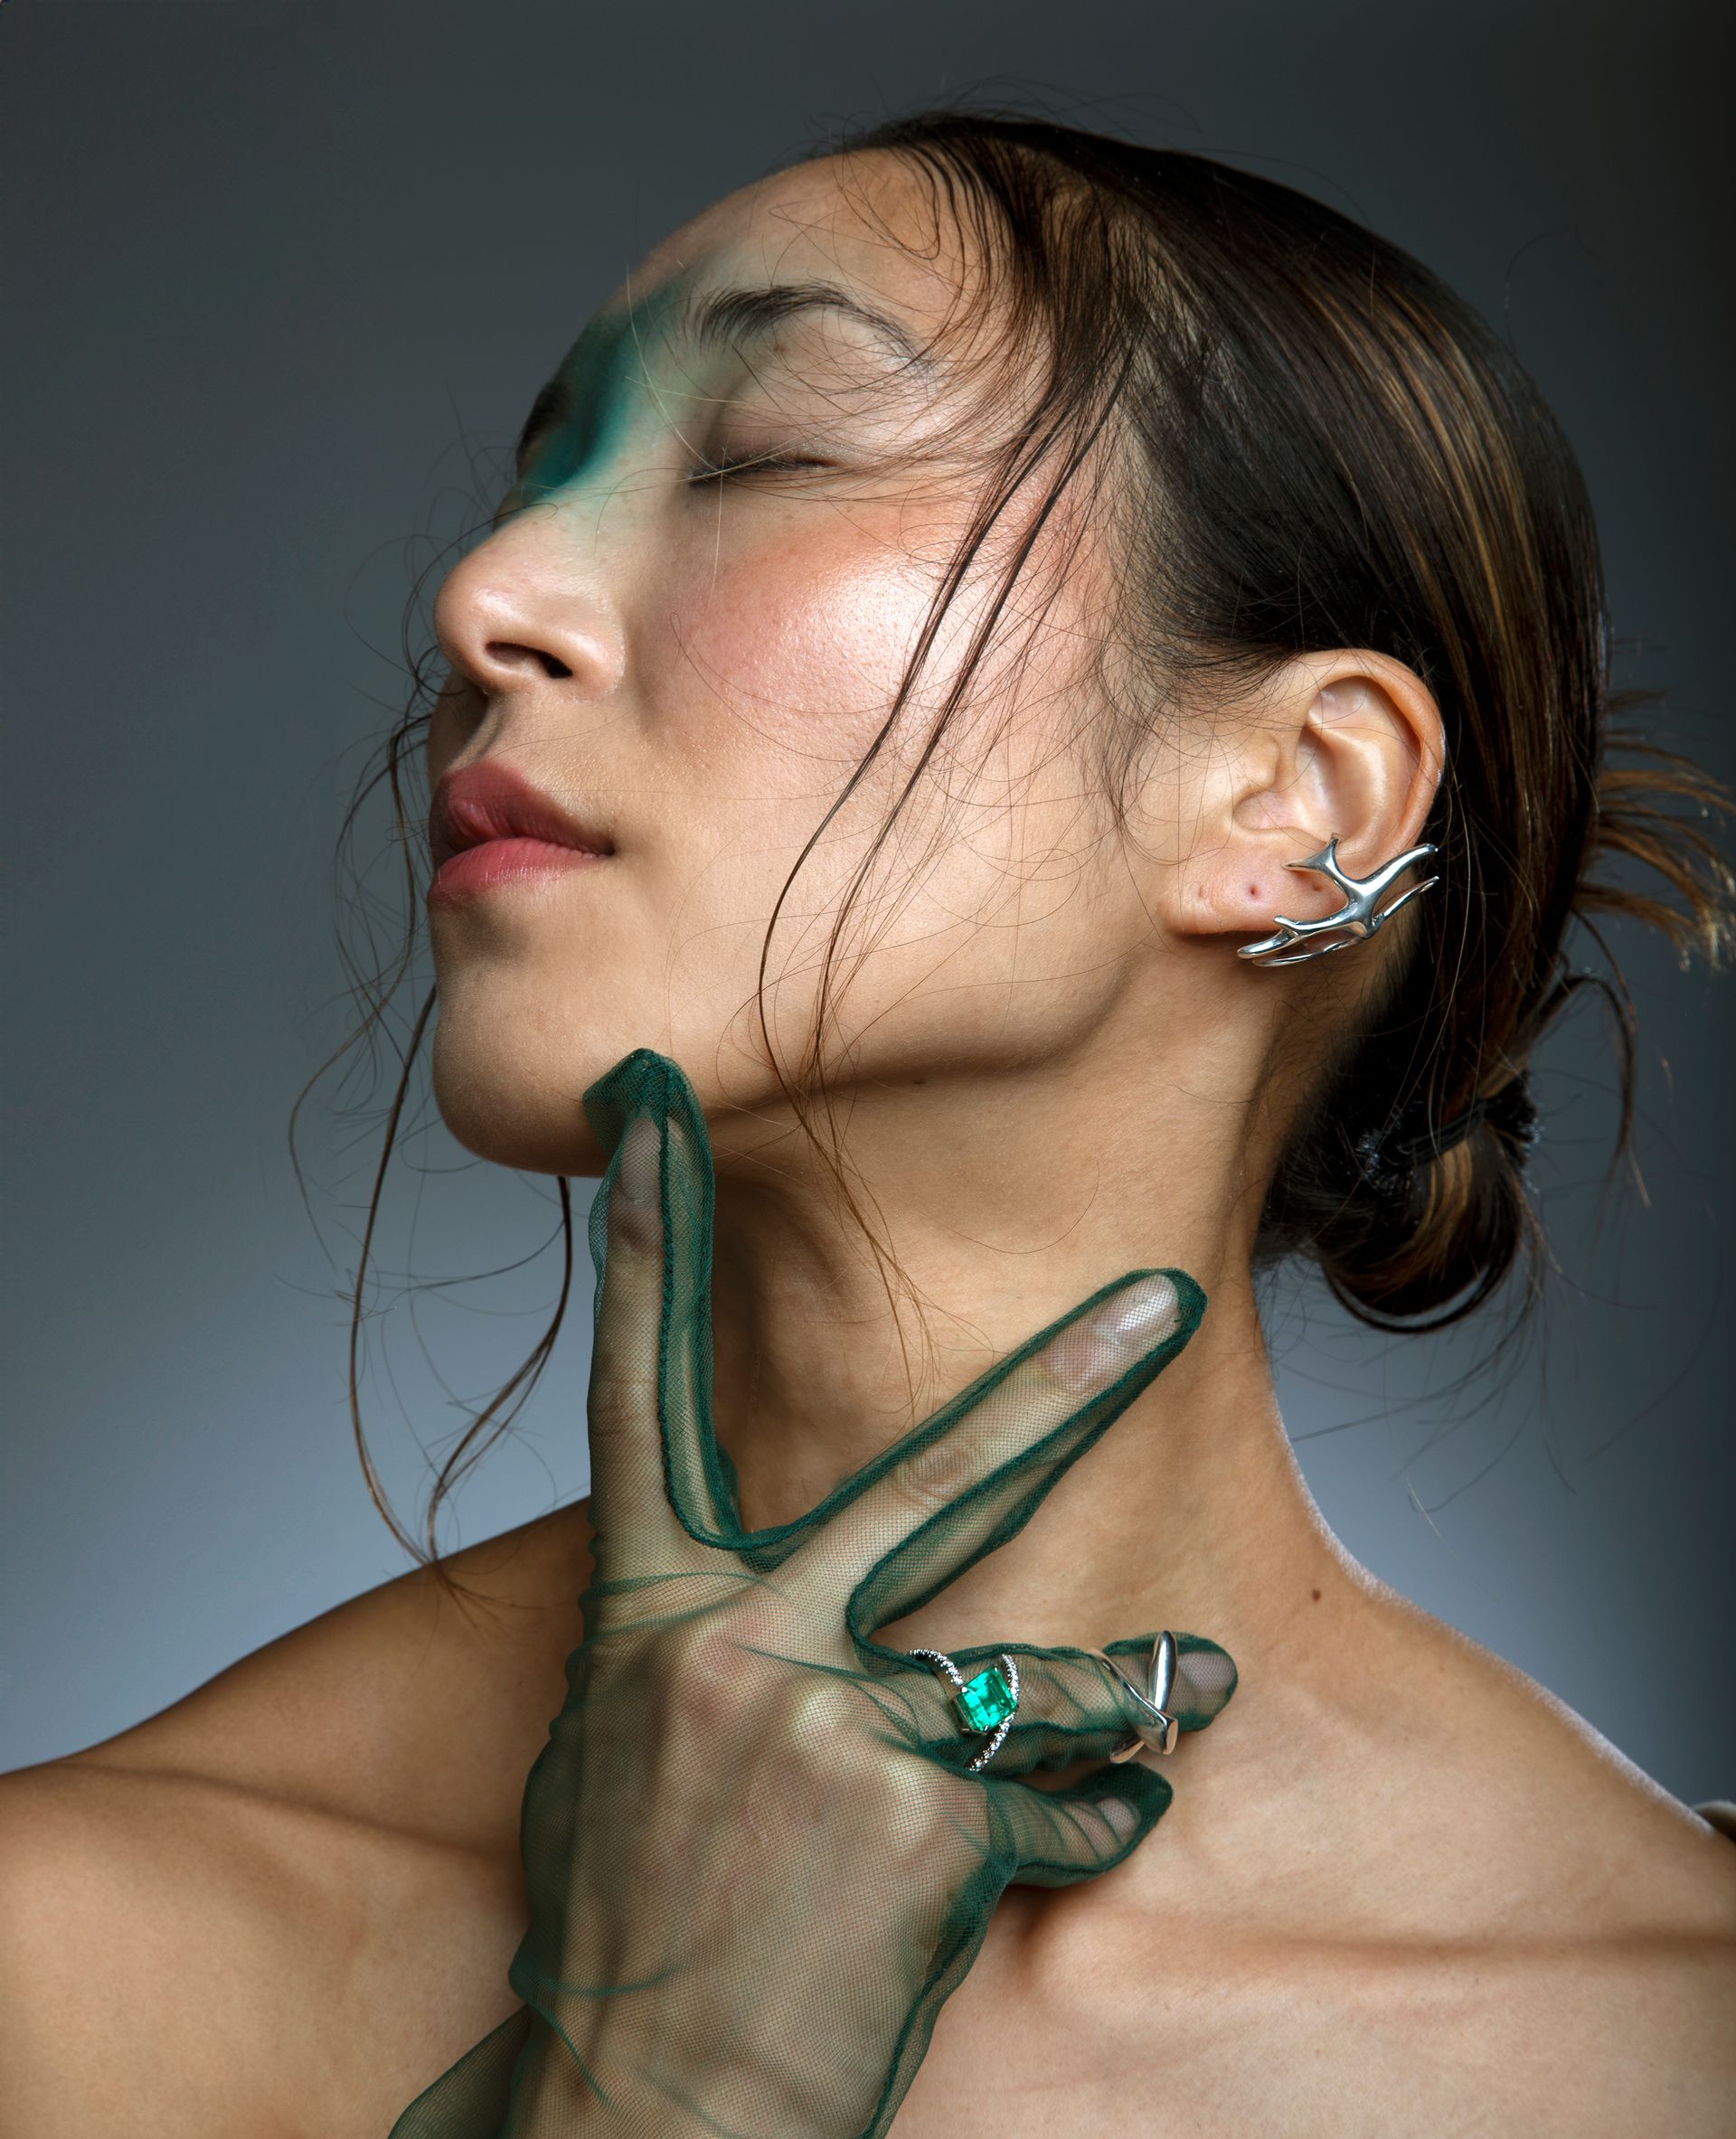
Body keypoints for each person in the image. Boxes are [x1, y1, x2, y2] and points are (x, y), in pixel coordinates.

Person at [3, 111, 1733, 2136]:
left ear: (1299, 800)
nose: (486, 592)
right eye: (541, 473)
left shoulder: (1668, 2034)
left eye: (762, 451)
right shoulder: (69, 1960)